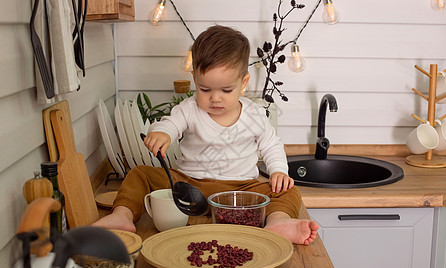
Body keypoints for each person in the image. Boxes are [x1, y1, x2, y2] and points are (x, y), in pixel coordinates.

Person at [94, 25, 318, 245]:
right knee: (140, 174)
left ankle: (278, 222)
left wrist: (278, 171)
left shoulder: (255, 114)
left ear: (244, 83)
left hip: (239, 190)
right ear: (194, 79)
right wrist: (162, 133)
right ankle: (122, 215)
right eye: (205, 89)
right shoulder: (189, 109)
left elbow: (271, 145)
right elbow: (171, 123)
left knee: (287, 190)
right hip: (189, 186)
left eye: (226, 90)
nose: (215, 99)